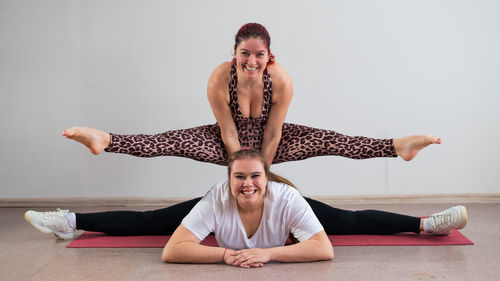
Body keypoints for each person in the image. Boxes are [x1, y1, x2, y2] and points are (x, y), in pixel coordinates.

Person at [62, 23, 441, 167]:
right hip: (225, 142)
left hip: (273, 142)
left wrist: (261, 172)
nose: (252, 61)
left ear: (268, 55)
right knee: (167, 142)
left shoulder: (282, 80)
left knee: (335, 142)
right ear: (235, 53)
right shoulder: (217, 79)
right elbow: (227, 131)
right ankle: (105, 140)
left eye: (259, 55)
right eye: (245, 53)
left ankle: (398, 146)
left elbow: (274, 133)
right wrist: (239, 170)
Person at [25, 150, 467, 267]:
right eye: (239, 176)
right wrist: (227, 255)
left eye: (256, 176)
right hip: (226, 199)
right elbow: (172, 249)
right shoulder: (221, 190)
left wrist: (269, 253)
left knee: (346, 219)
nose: (248, 182)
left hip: (282, 198)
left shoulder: (279, 190)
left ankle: (426, 224)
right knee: (152, 222)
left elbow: (324, 248)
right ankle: (69, 221)